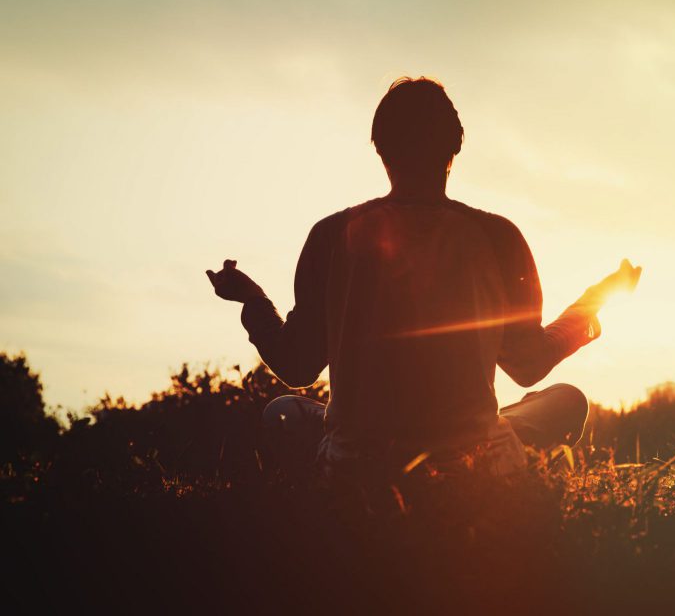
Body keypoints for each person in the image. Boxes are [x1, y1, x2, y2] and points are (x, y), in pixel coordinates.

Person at [206, 77, 641, 477]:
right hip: (470, 464)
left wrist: (253, 299)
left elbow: (296, 365)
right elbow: (528, 366)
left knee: (281, 411)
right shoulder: (498, 236)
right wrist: (593, 303)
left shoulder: (332, 234)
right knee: (567, 400)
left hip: (358, 463)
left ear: (381, 150)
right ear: (454, 149)